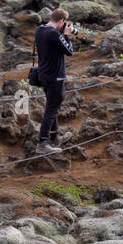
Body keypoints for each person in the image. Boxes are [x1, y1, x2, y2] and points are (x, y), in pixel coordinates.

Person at [34, 8, 75, 155]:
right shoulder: (53, 34)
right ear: (61, 21)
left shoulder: (40, 30)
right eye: (64, 23)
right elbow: (69, 51)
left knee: (53, 106)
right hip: (55, 76)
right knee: (51, 108)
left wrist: (62, 33)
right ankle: (42, 143)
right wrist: (67, 35)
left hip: (44, 75)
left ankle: (54, 137)